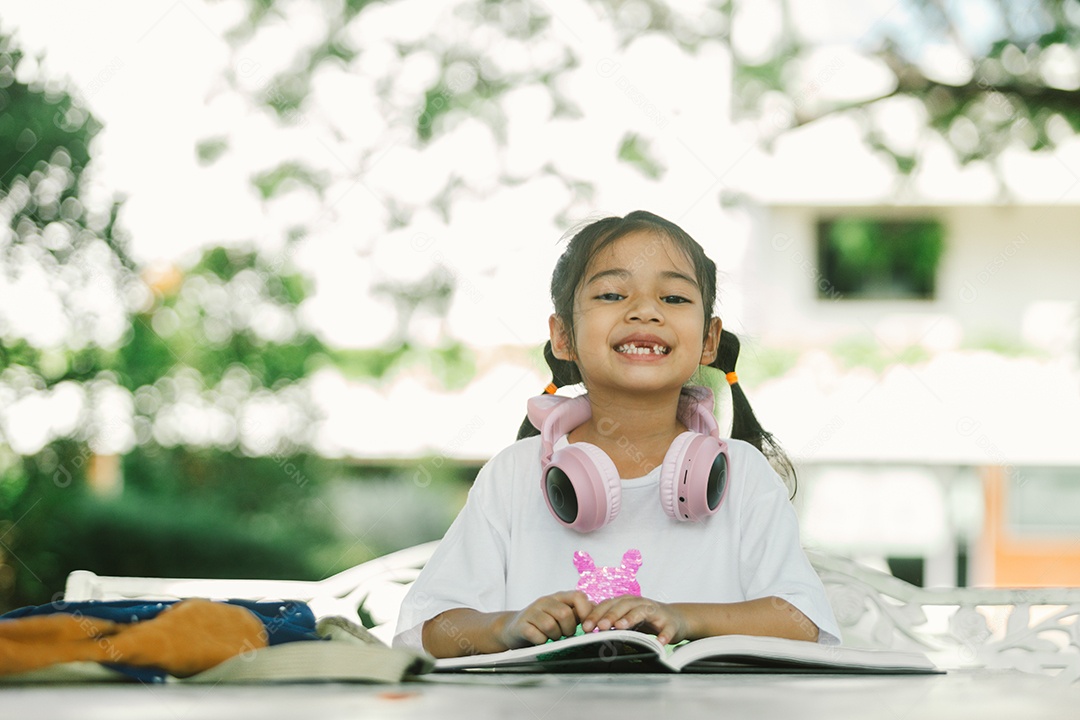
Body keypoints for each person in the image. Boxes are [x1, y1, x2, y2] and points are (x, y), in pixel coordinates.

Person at [393, 211, 840, 657]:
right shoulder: (511, 476)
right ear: (563, 336)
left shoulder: (745, 474)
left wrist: (684, 618)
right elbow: (433, 630)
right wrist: (507, 626)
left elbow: (802, 622)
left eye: (674, 298)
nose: (645, 310)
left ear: (709, 339)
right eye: (611, 293)